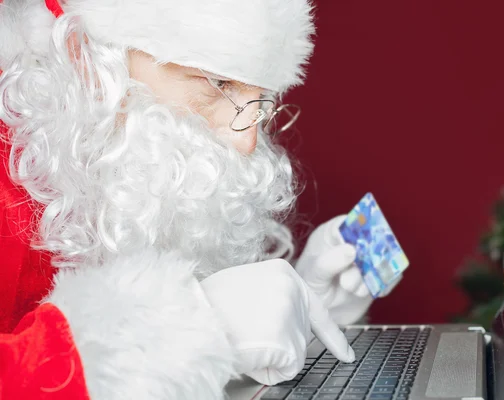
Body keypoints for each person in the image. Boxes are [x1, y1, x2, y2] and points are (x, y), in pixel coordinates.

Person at [0, 0, 402, 398]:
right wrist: (185, 327)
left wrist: (298, 318)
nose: (247, 142)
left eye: (259, 100)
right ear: (89, 55)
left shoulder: (117, 167)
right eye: (220, 84)